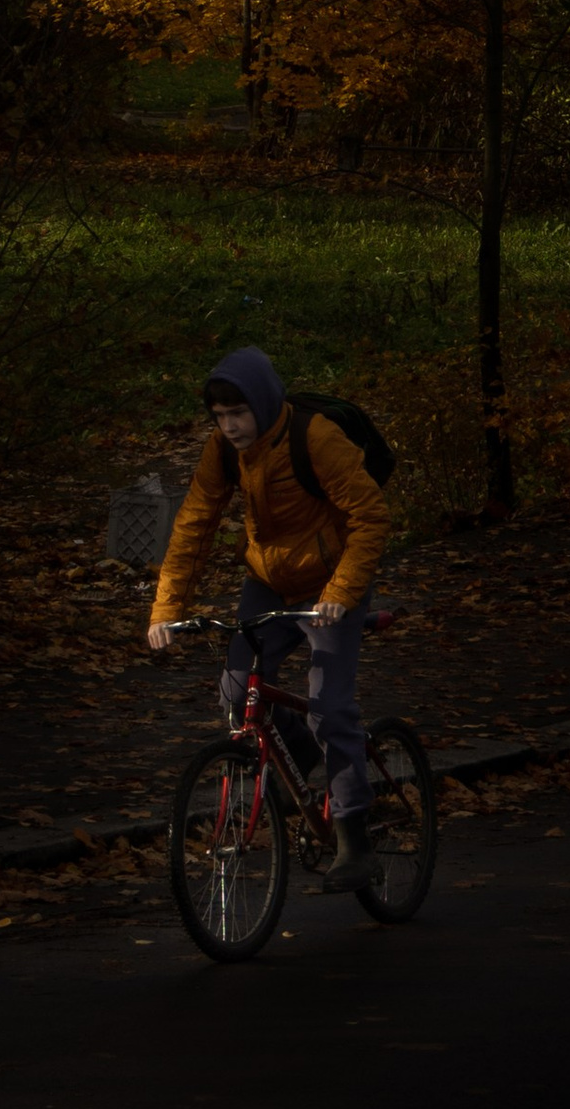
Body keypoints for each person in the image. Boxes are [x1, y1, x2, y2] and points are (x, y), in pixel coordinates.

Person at [148, 346, 391, 890]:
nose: (229, 426)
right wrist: (167, 610)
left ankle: (356, 840)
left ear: (262, 402)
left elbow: (370, 516)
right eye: (219, 417)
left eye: (238, 413)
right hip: (267, 581)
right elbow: (194, 522)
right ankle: (304, 762)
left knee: (330, 708)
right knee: (238, 693)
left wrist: (342, 592)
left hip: (332, 584)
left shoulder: (316, 439)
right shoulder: (224, 450)